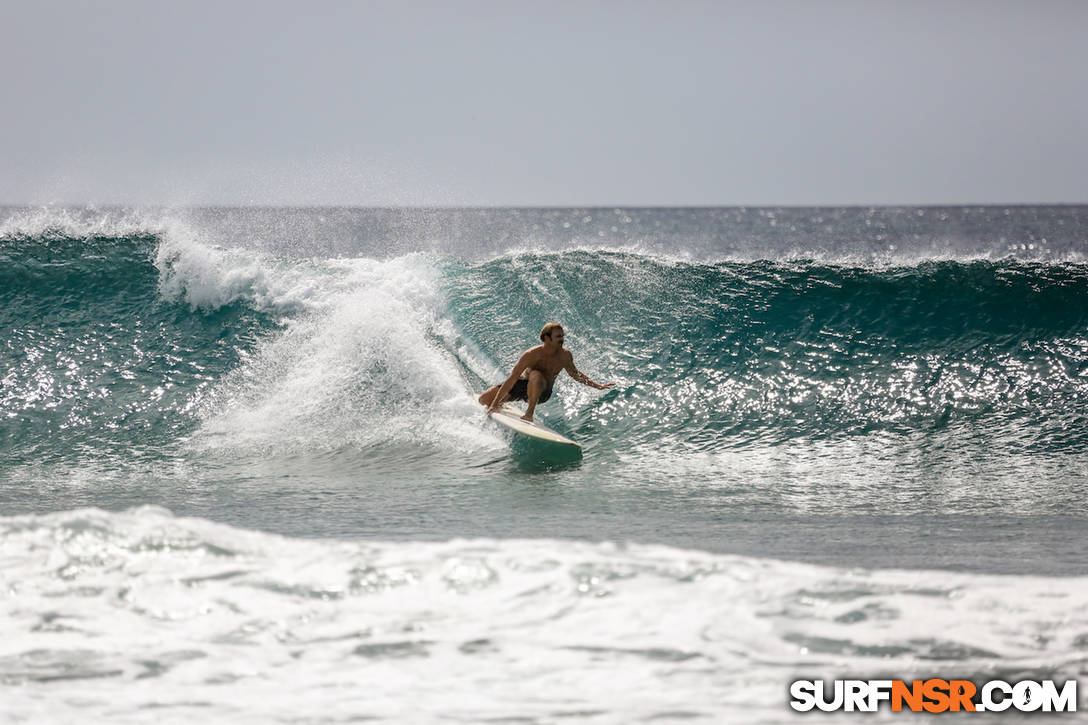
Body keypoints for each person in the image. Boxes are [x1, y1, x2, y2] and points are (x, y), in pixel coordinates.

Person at [478, 322, 614, 422]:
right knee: (483, 400)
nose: (562, 339)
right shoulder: (531, 354)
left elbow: (575, 374)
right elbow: (512, 379)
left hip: (543, 392)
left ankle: (529, 414)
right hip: (522, 385)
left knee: (535, 375)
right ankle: (502, 402)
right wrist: (495, 403)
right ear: (547, 338)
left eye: (562, 336)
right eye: (558, 336)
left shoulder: (565, 356)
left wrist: (598, 386)